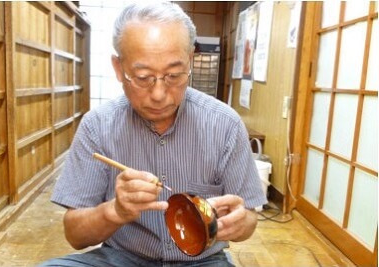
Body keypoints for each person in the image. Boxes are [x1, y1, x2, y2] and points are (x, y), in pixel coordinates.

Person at [40, 2, 267, 266]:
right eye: (143, 76)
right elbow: (75, 235)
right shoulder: (97, 126)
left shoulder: (225, 124)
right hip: (122, 257)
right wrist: (115, 210)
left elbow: (249, 219)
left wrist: (240, 223)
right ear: (118, 67)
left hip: (202, 261)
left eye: (173, 75)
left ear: (190, 61)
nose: (159, 94)